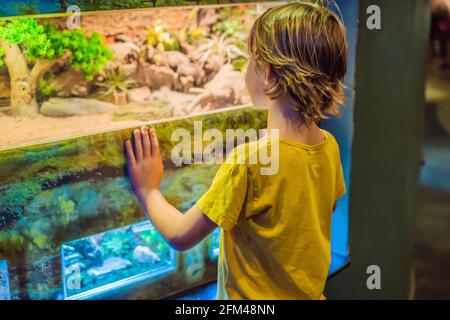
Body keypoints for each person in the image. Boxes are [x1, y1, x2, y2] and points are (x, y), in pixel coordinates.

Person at [125, 2, 347, 300]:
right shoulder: (328, 147)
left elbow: (180, 235)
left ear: (267, 74)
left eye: (250, 60)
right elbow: (318, 210)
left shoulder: (249, 162)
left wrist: (149, 190)